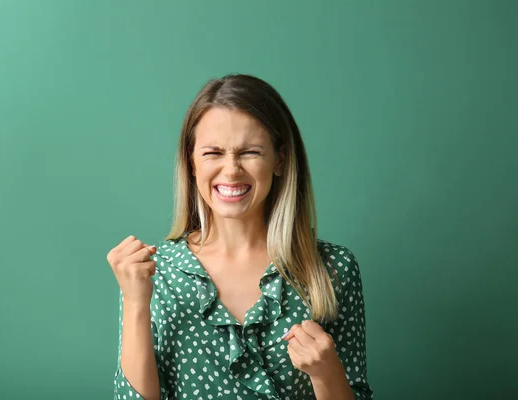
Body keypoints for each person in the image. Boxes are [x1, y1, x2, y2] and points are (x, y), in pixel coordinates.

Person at [107, 74, 373, 399]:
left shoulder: (333, 269)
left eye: (249, 152)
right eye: (212, 153)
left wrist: (327, 372)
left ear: (280, 159)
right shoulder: (155, 272)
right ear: (191, 162)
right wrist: (136, 302)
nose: (231, 170)